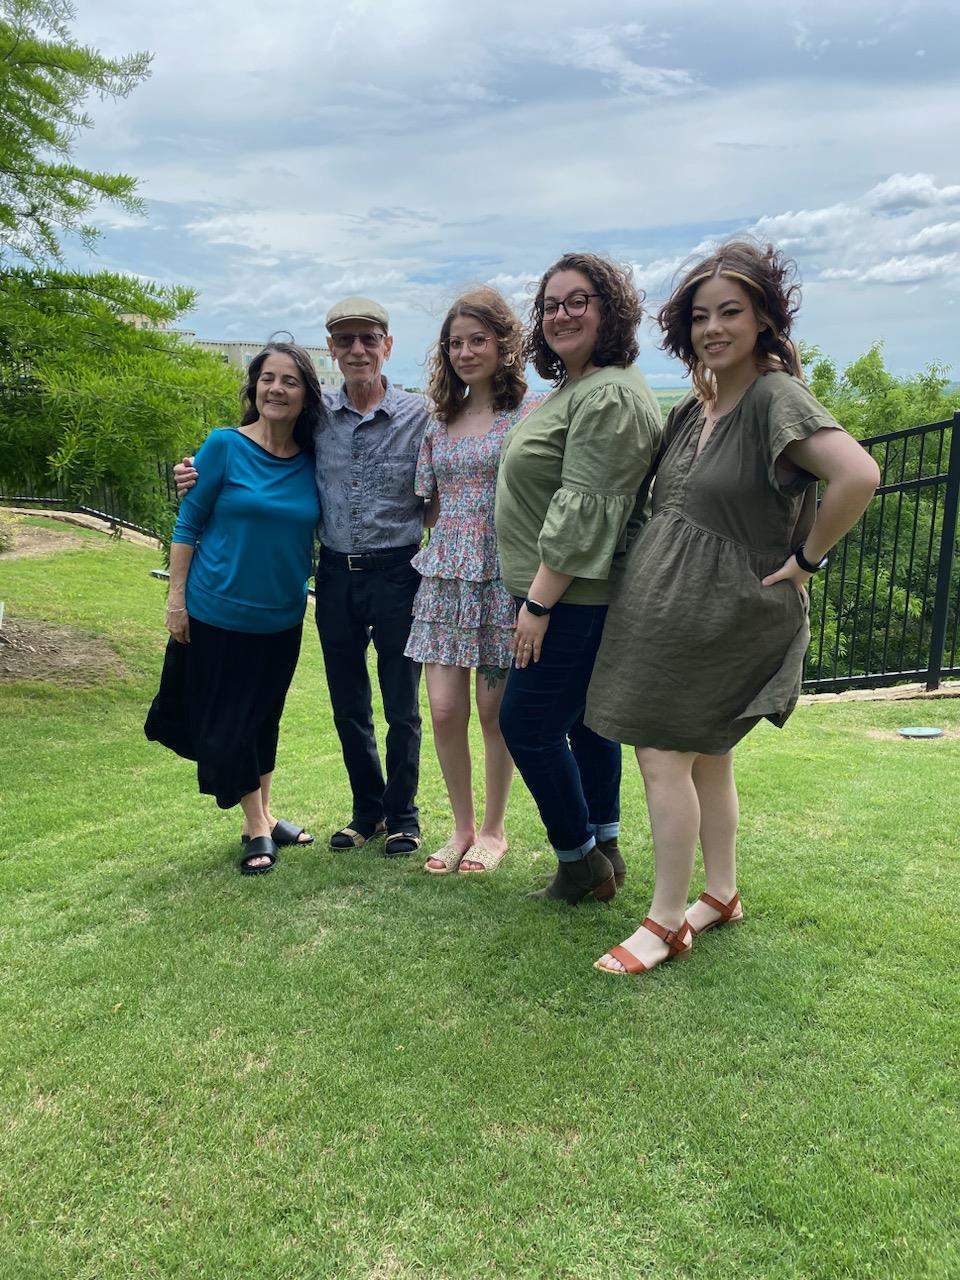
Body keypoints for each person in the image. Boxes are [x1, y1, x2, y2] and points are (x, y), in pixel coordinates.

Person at [586, 240, 880, 975]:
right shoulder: (704, 399)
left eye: (730, 313)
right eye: (699, 315)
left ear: (763, 320)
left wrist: (807, 560)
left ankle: (664, 921)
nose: (712, 327)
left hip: (722, 612)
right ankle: (717, 895)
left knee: (661, 753)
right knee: (708, 757)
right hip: (670, 607)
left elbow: (858, 474)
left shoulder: (776, 396)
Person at [175, 298, 431, 858]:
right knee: (348, 704)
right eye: (345, 341)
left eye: (369, 339)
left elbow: (445, 481)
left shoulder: (422, 414)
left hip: (398, 575)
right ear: (333, 350)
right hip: (335, 575)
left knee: (401, 705)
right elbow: (259, 448)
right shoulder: (318, 416)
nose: (357, 350)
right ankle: (367, 811)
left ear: (387, 346)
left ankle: (403, 815)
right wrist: (190, 473)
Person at [494, 252, 663, 904]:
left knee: (528, 725)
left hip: (571, 597)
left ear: (609, 308)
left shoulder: (613, 393)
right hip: (559, 593)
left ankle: (579, 863)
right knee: (587, 723)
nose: (561, 314)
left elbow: (584, 508)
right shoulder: (579, 386)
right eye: (551, 304)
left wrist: (537, 605)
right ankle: (605, 846)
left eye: (577, 300)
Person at [146, 343, 322, 875]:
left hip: (283, 617)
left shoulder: (314, 462)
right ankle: (255, 826)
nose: (277, 389)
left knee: (264, 720)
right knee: (230, 724)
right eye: (268, 378)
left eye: (290, 381)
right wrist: (175, 600)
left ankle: (265, 816)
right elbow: (187, 525)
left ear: (305, 394)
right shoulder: (223, 446)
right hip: (217, 614)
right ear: (254, 388)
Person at [409, 287, 538, 876]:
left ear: (504, 344)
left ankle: (493, 829)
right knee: (441, 710)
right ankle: (459, 826)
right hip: (444, 575)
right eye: (455, 342)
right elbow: (426, 506)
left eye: (477, 340)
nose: (465, 351)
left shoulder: (528, 414)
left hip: (500, 572)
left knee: (494, 711)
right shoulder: (437, 421)